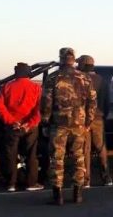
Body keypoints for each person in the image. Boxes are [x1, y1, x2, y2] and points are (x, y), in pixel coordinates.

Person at [41, 48, 97, 205]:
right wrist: (88, 122)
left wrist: (45, 121)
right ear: (73, 59)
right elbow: (92, 102)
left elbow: (46, 102)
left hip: (59, 124)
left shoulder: (53, 78)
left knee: (57, 158)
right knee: (79, 157)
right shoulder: (85, 78)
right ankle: (77, 193)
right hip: (79, 124)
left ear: (61, 58)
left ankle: (57, 194)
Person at [0, 62, 43, 192]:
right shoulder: (36, 88)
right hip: (30, 127)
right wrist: (29, 123)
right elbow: (39, 109)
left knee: (10, 155)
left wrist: (12, 121)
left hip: (12, 127)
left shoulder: (6, 87)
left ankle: (11, 184)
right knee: (31, 155)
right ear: (28, 73)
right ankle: (31, 183)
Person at [76, 54, 113, 187]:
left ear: (82, 65)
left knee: (85, 149)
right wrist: (103, 115)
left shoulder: (80, 80)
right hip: (98, 118)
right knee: (101, 148)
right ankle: (106, 177)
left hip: (83, 119)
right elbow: (107, 101)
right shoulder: (101, 80)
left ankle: (86, 180)